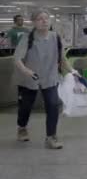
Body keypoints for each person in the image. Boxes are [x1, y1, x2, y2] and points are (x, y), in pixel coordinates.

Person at [14, 10, 81, 149]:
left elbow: (62, 58)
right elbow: (17, 59)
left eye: (46, 18)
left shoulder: (55, 37)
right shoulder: (28, 37)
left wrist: (72, 70)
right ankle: (22, 127)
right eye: (40, 19)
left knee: (53, 105)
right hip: (29, 77)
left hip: (50, 77)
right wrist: (26, 71)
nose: (44, 21)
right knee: (26, 106)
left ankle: (51, 137)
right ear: (34, 22)